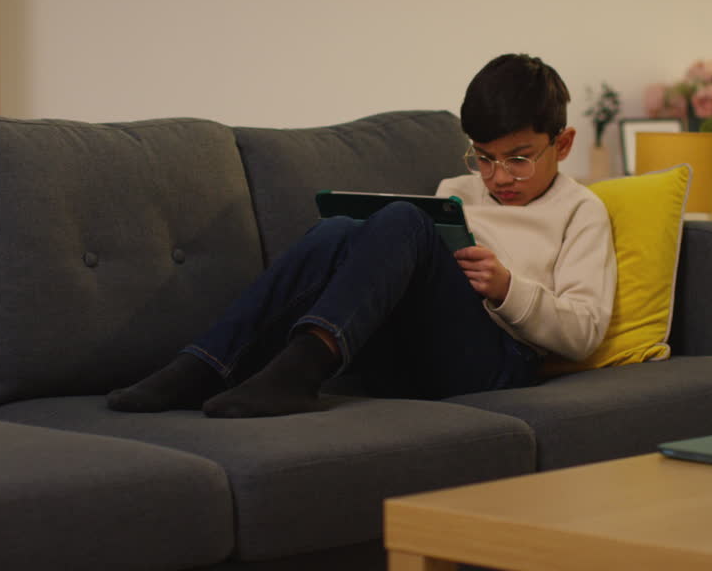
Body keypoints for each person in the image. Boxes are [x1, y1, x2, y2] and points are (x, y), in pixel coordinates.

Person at [107, 53, 617, 417]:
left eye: (519, 158)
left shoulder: (580, 212)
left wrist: (509, 288)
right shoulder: (456, 190)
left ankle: (301, 372)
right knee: (337, 230)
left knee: (405, 220)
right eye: (484, 157)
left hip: (496, 366)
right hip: (408, 360)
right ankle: (202, 365)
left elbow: (584, 333)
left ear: (563, 142)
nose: (499, 176)